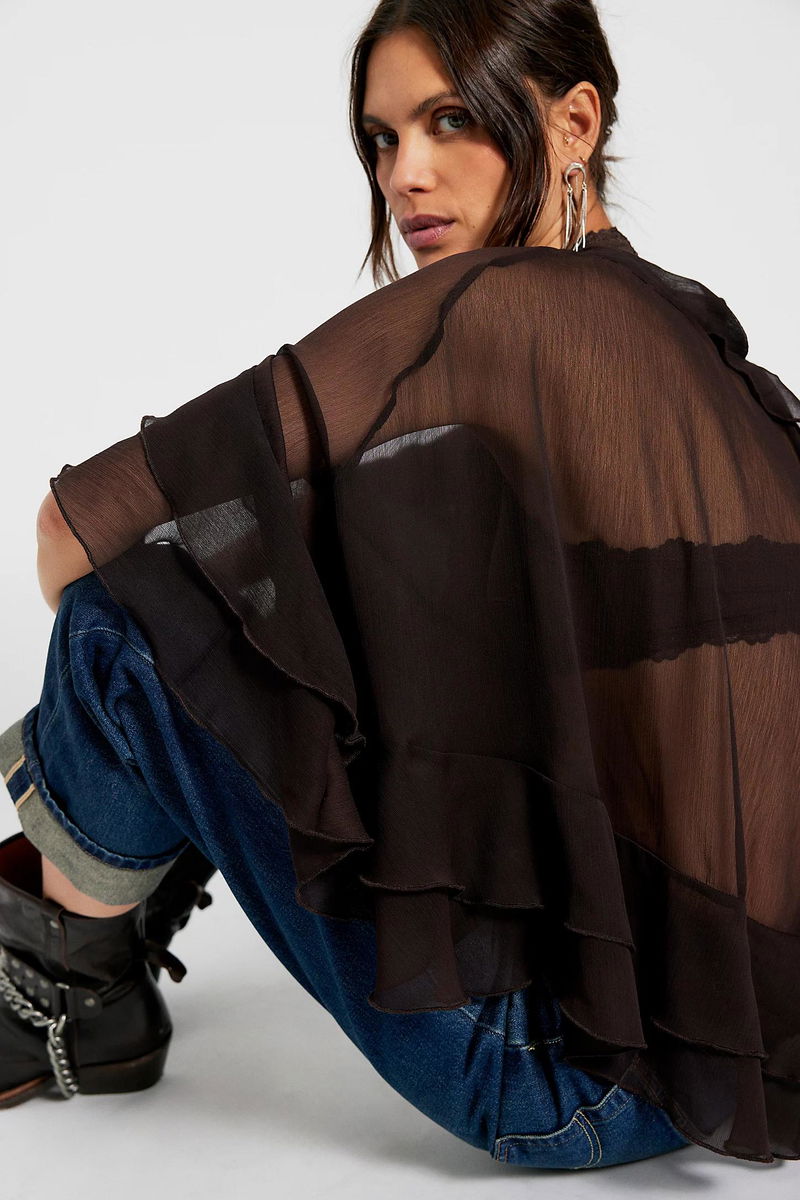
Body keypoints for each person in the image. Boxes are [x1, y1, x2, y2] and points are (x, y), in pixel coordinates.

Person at [2, 0, 798, 1171]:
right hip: (743, 1063)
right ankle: (81, 930)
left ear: (573, 122)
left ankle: (61, 980)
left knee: (129, 621)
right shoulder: (694, 341)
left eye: (449, 120)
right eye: (380, 138)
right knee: (296, 605)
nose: (404, 175)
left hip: (547, 1075)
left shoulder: (499, 310)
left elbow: (68, 536)